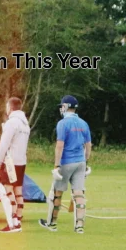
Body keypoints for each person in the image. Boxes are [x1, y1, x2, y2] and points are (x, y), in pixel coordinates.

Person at [40, 95, 92, 234]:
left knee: (57, 193)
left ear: (66, 106)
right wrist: (86, 162)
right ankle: (79, 225)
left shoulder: (63, 123)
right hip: (80, 162)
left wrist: (57, 165)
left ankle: (52, 223)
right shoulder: (83, 123)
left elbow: (60, 145)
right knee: (79, 193)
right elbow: (88, 145)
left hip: (66, 162)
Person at [0, 97, 31, 233]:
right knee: (18, 191)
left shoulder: (12, 123)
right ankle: (18, 219)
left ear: (10, 107)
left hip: (11, 161)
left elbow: (4, 144)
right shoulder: (25, 124)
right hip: (21, 161)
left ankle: (13, 222)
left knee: (8, 191)